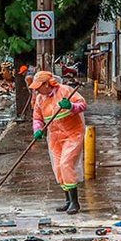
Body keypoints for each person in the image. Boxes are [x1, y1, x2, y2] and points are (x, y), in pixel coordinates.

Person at [31, 71, 87, 214]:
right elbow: (37, 118)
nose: (37, 90)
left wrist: (70, 106)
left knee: (66, 164)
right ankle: (67, 200)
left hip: (73, 133)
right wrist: (38, 129)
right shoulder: (39, 99)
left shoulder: (65, 91)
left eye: (39, 86)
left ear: (46, 84)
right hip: (55, 136)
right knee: (58, 167)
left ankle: (75, 202)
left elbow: (82, 104)